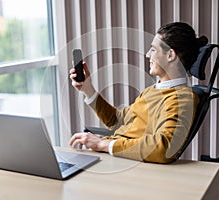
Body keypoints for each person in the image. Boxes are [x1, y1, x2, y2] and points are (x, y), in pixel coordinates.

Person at [69, 22, 208, 163]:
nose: (148, 55)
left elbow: (165, 148)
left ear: (170, 55)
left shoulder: (182, 98)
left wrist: (102, 144)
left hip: (128, 164)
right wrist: (88, 89)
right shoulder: (153, 90)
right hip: (114, 157)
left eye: (153, 50)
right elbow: (118, 121)